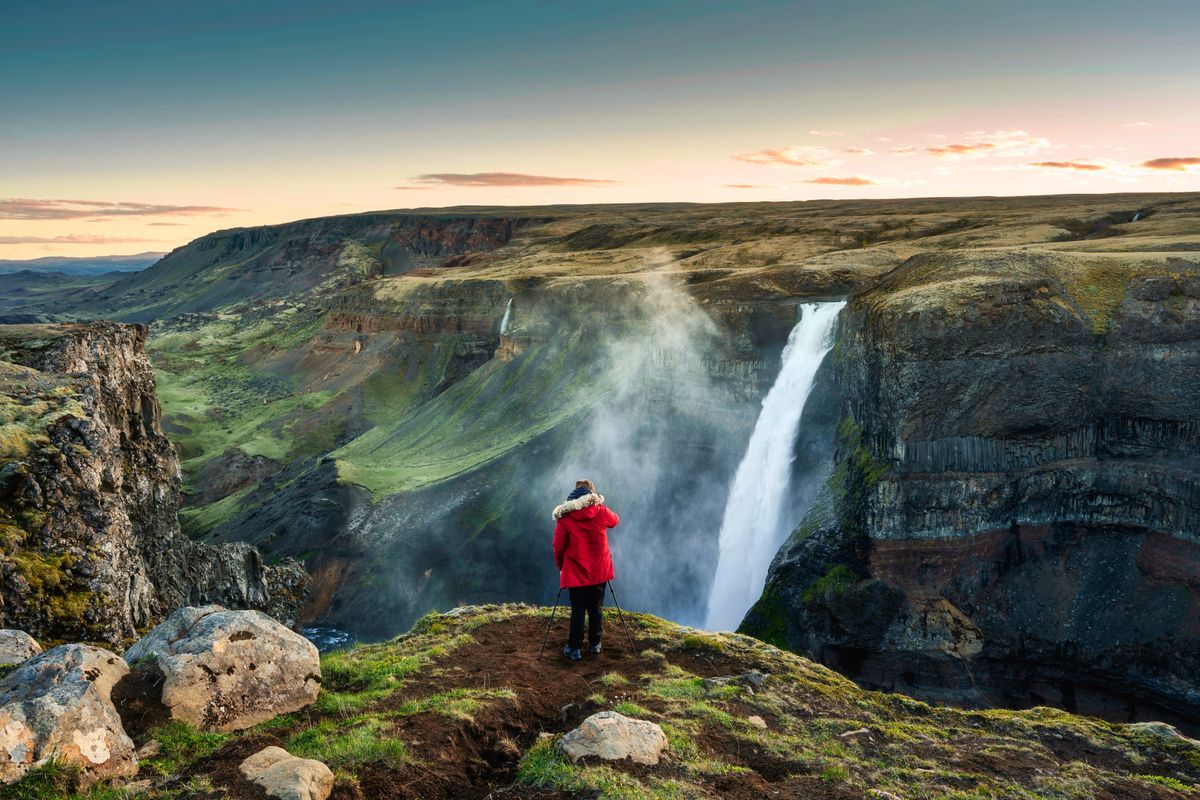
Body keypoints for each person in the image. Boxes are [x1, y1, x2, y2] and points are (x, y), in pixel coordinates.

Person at [552, 479, 620, 662]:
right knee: (596, 607)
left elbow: (558, 547)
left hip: (576, 572)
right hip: (599, 570)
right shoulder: (601, 512)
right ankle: (595, 644)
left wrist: (561, 567)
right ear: (592, 495)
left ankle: (574, 648)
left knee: (578, 610)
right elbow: (615, 520)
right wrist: (599, 503)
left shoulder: (565, 518)